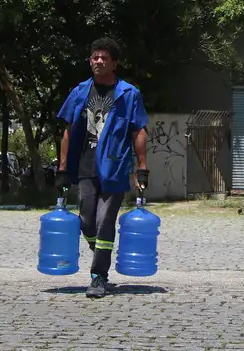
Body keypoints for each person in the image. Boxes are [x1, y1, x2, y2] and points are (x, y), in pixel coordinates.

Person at [55, 37, 150, 298]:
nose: (98, 61)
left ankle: (99, 276)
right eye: (95, 57)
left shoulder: (129, 94)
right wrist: (62, 169)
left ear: (114, 63)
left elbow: (139, 131)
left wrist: (142, 168)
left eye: (104, 58)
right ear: (90, 61)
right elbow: (68, 131)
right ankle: (100, 251)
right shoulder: (79, 92)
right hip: (85, 166)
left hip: (115, 167)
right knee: (87, 222)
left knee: (105, 220)